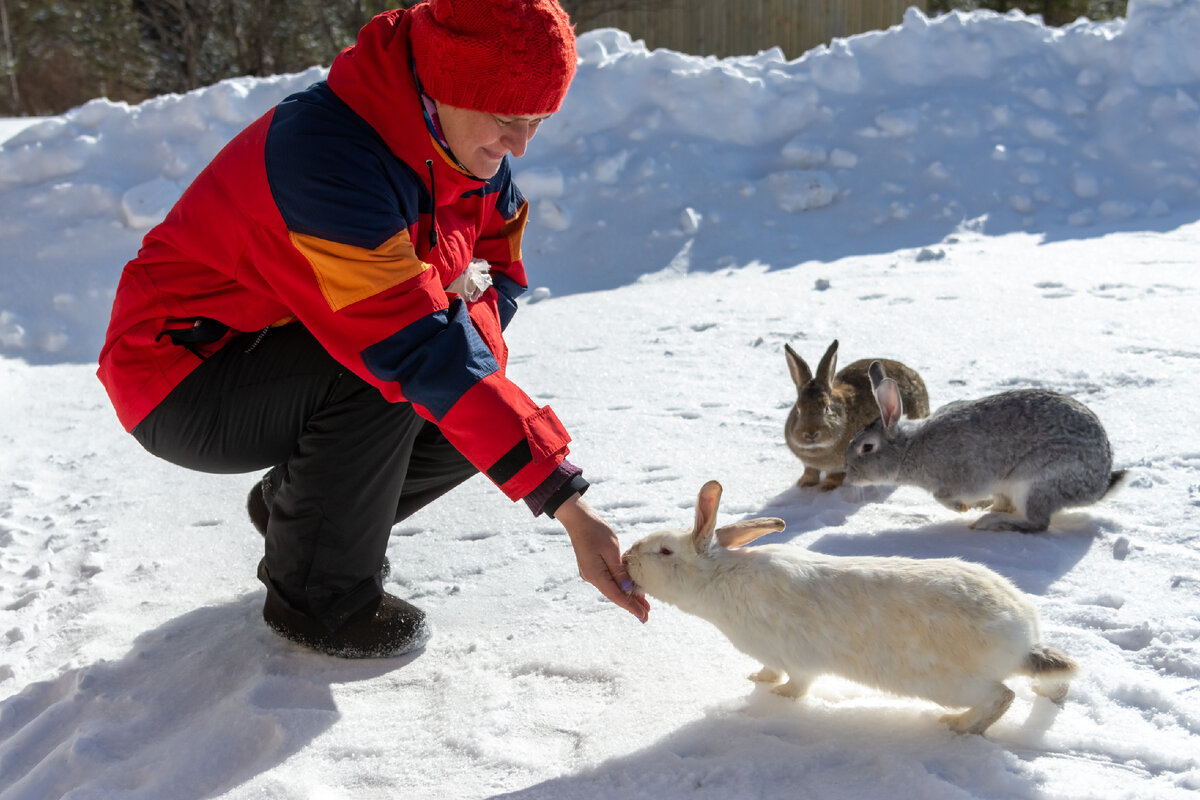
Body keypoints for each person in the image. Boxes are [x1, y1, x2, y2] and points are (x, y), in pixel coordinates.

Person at [96, 0, 650, 658]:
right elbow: (413, 345)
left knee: (465, 404)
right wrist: (566, 501)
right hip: (182, 374)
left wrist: (468, 356)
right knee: (401, 375)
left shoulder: (461, 147)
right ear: (448, 84)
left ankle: (295, 513)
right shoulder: (325, 155)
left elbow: (500, 271)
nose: (520, 145)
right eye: (508, 118)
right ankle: (318, 599)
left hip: (285, 351)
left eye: (536, 121)